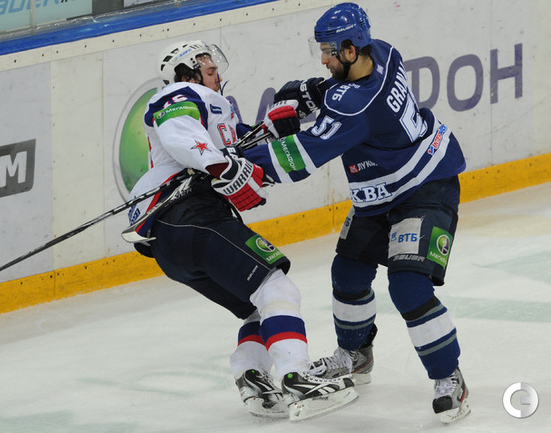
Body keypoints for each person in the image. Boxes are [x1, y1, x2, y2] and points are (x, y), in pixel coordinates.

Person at [243, 3, 470, 424]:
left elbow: (302, 155)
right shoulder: (382, 51)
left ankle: (449, 377)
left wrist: (237, 164)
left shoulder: (356, 106)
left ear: (350, 50)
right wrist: (311, 92)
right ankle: (355, 355)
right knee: (347, 273)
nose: (323, 59)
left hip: (425, 186)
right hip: (379, 191)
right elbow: (338, 91)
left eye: (328, 52)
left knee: (408, 287)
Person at [121, 39, 358, 421]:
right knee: (278, 288)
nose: (217, 77)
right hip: (191, 218)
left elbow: (235, 149)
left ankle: (254, 379)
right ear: (186, 74)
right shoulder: (179, 95)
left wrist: (272, 127)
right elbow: (182, 135)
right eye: (210, 70)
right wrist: (224, 168)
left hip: (173, 242)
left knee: (255, 308)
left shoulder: (215, 112)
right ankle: (298, 378)